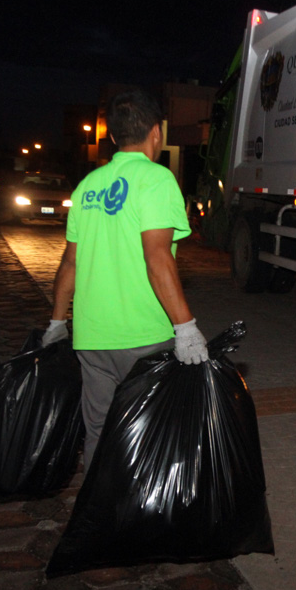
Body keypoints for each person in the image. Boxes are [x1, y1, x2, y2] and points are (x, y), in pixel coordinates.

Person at [42, 88, 208, 470]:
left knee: (99, 433)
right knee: (151, 436)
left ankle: (99, 521)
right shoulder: (156, 180)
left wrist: (56, 322)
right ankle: (142, 522)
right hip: (143, 339)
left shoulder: (87, 187)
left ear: (113, 137)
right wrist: (185, 327)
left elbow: (70, 264)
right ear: (156, 131)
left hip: (92, 337)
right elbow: (157, 257)